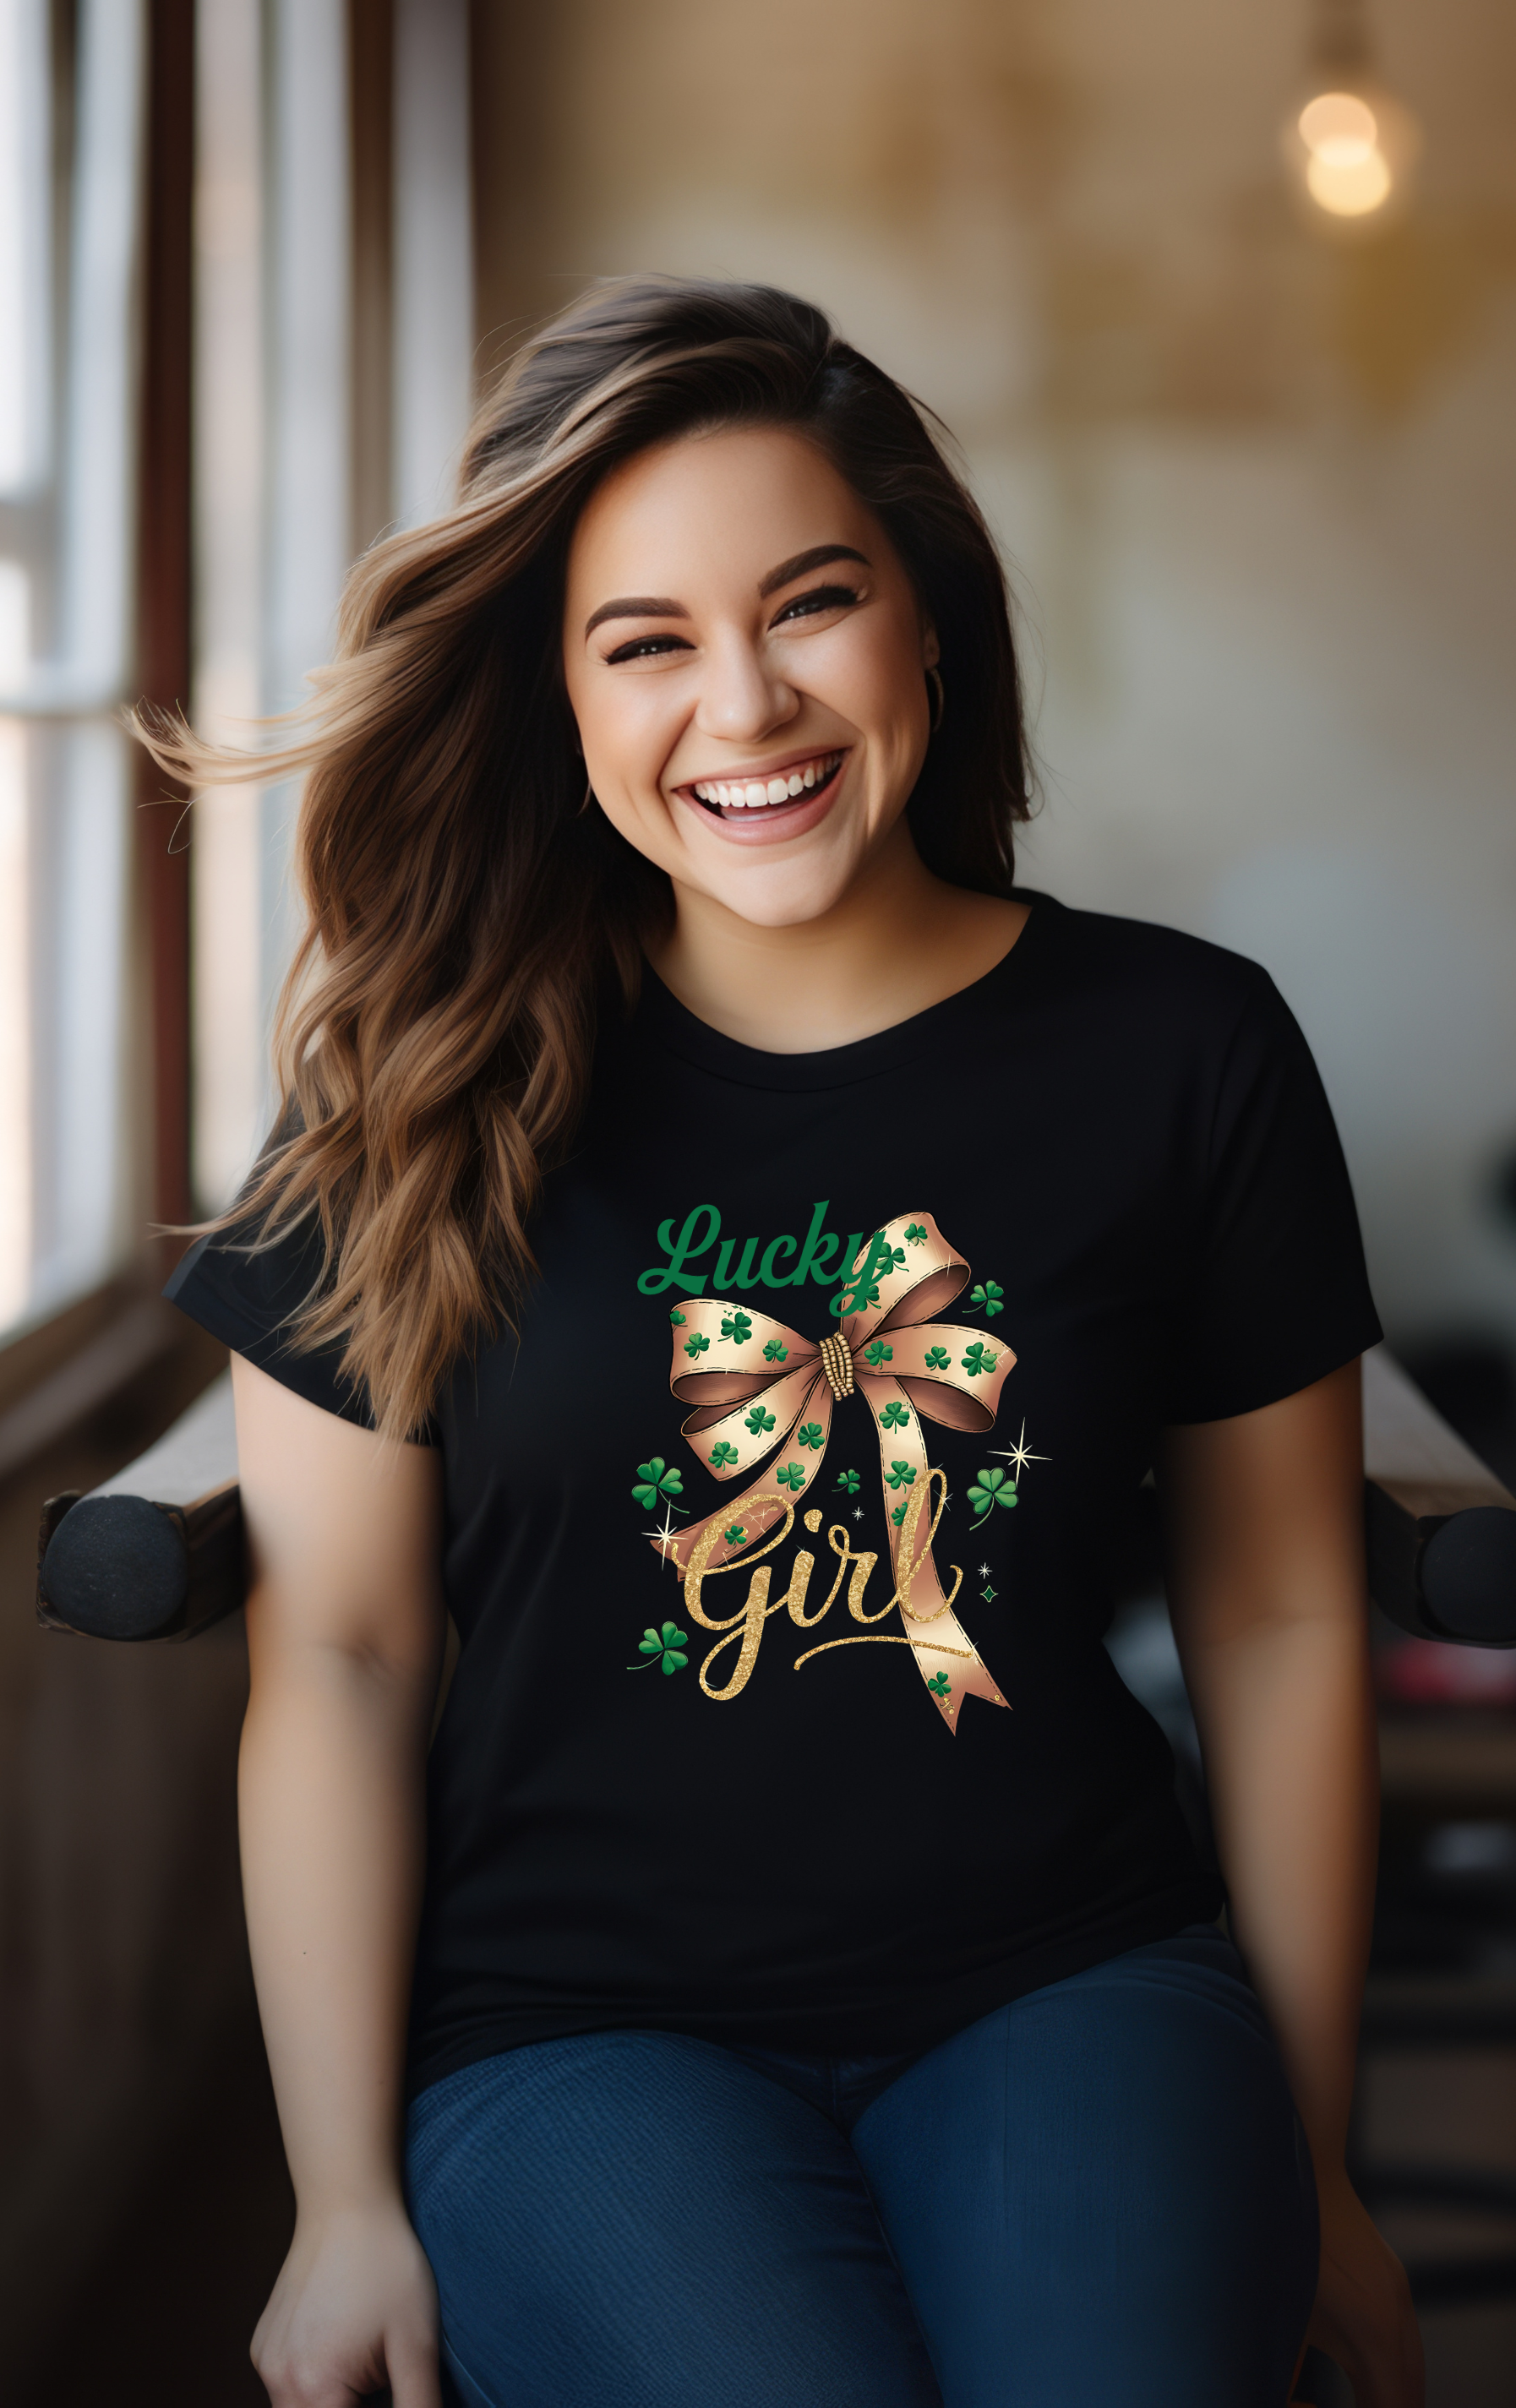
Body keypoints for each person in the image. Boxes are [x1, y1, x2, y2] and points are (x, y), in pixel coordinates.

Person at [153, 277, 1423, 2407]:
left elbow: (1282, 1613)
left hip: (1072, 1978)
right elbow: (346, 1663)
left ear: (925, 615)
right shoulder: (417, 1082)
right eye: (644, 642)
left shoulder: (1180, 1046)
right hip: (568, 2033)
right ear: (556, 700)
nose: (742, 706)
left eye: (809, 606)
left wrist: (1312, 2163)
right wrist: (340, 2199)